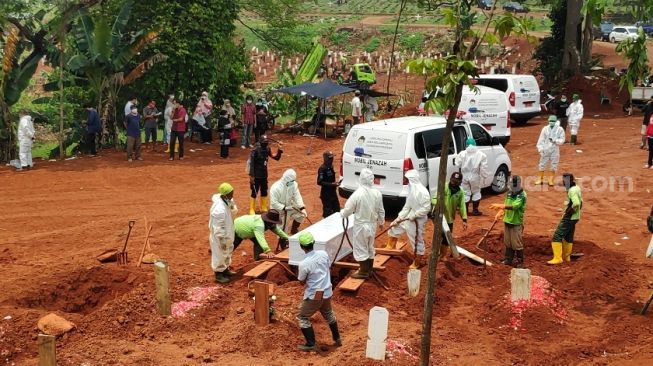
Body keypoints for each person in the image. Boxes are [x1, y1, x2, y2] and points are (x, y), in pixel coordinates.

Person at [296, 231, 342, 352]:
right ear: (313, 243)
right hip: (327, 290)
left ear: (301, 246)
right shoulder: (323, 254)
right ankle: (337, 338)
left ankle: (310, 343)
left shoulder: (304, 263)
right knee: (328, 313)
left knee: (302, 317)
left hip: (315, 294)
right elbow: (328, 267)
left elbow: (301, 281)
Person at [340, 168, 385, 279]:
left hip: (361, 226)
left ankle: (364, 271)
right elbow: (381, 209)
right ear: (372, 180)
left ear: (361, 179)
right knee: (369, 246)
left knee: (360, 248)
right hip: (372, 225)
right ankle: (369, 269)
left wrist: (342, 214)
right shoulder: (377, 193)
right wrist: (381, 221)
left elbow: (348, 209)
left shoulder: (357, 194)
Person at [387, 170, 431, 269]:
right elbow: (407, 206)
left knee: (415, 239)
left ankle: (417, 261)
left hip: (418, 219)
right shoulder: (411, 189)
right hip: (410, 215)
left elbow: (426, 208)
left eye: (406, 179)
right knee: (394, 227)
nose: (404, 180)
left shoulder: (422, 192)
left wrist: (415, 215)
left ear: (411, 179)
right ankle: (390, 247)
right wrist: (399, 218)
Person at [490, 176, 527, 268]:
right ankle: (508, 259)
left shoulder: (522, 195)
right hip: (507, 221)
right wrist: (501, 212)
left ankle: (520, 262)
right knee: (508, 242)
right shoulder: (509, 193)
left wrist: (501, 206)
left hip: (516, 222)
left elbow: (515, 206)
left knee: (516, 243)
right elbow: (507, 204)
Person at [431, 172, 468, 261]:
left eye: (456, 181)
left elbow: (462, 205)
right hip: (438, 215)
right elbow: (434, 198)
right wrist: (436, 206)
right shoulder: (444, 186)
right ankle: (435, 254)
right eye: (453, 180)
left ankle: (442, 255)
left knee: (447, 237)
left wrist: (464, 219)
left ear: (460, 182)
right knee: (438, 235)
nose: (454, 183)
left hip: (449, 218)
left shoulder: (460, 192)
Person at [547, 173, 583, 265]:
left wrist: (568, 213)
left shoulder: (572, 190)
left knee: (557, 236)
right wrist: (577, 212)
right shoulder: (577, 188)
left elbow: (577, 203)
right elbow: (581, 202)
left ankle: (557, 258)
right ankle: (567, 257)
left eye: (564, 180)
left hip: (570, 218)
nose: (563, 182)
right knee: (568, 236)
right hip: (575, 217)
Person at [270, 169, 307, 250]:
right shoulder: (275, 188)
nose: (293, 182)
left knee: (301, 214)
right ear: (286, 179)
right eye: (291, 181)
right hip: (278, 210)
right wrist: (284, 208)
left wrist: (302, 207)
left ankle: (294, 229)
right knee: (282, 228)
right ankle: (283, 245)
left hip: (290, 207)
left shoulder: (293, 184)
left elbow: (297, 196)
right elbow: (273, 203)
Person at [209, 183, 238, 284]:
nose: (232, 196)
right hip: (220, 236)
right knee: (220, 253)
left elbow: (233, 211)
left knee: (228, 252)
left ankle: (225, 269)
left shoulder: (227, 201)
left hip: (228, 231)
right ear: (225, 195)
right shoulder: (219, 210)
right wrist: (222, 241)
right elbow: (218, 228)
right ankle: (218, 274)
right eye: (231, 194)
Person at [248, 135, 283, 214]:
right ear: (260, 142)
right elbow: (251, 164)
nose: (266, 144)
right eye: (264, 143)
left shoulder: (267, 149)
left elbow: (276, 158)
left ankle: (263, 207)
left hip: (264, 175)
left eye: (266, 143)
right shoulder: (255, 150)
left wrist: (279, 149)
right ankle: (251, 209)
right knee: (254, 192)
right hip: (256, 175)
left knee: (264, 191)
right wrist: (251, 176)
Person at [457, 137, 488, 215]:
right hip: (475, 176)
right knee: (476, 192)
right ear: (475, 144)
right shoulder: (481, 155)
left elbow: (458, 164)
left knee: (465, 193)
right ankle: (475, 210)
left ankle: (465, 211)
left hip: (464, 176)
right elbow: (483, 168)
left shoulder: (462, 153)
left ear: (466, 145)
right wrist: (484, 177)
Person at [535, 115, 566, 186]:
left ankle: (550, 180)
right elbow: (541, 139)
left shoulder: (560, 129)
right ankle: (540, 179)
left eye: (553, 121)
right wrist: (540, 149)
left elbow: (562, 140)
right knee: (542, 163)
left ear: (555, 121)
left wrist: (555, 140)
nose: (551, 122)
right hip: (545, 149)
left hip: (555, 149)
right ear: (548, 121)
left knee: (554, 164)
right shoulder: (545, 129)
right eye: (550, 121)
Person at [317, 151, 340, 218]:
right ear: (325, 159)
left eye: (332, 158)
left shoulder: (331, 166)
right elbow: (319, 182)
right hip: (326, 194)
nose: (332, 160)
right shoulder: (322, 168)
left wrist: (335, 184)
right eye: (330, 158)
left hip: (333, 192)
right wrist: (331, 184)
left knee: (337, 210)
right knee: (328, 212)